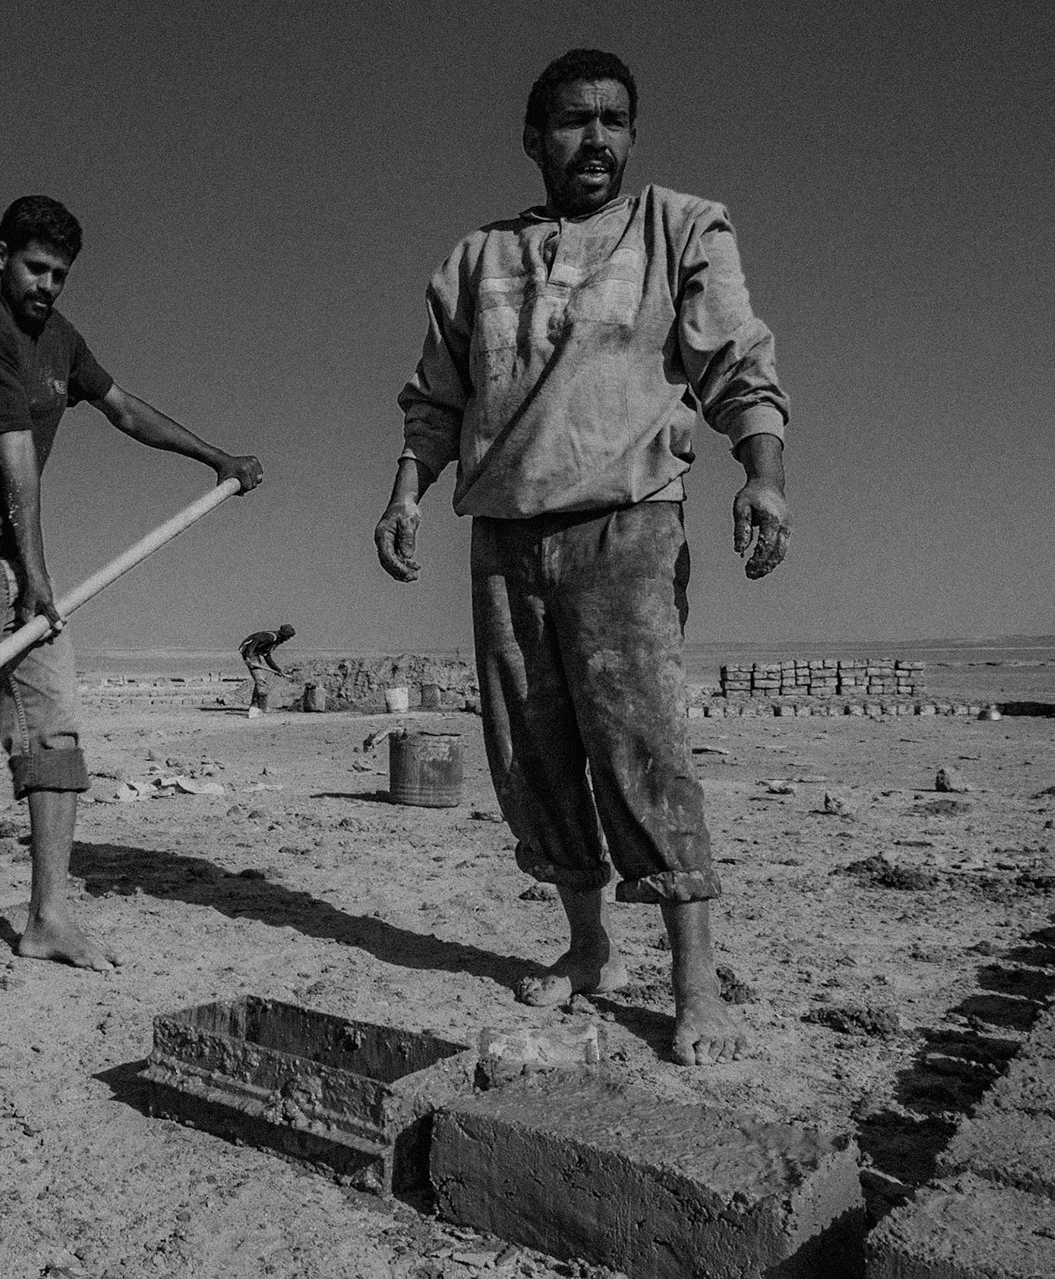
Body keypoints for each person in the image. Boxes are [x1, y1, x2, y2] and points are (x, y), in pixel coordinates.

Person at [374, 50, 792, 1065]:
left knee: (642, 745)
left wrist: (763, 474)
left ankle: (694, 983)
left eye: (614, 121)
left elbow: (735, 358)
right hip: (506, 534)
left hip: (627, 520)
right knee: (533, 752)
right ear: (534, 138)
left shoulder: (680, 226)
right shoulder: (478, 260)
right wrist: (403, 492)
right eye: (572, 121)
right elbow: (437, 396)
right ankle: (587, 944)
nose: (595, 140)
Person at [0, 195, 262, 970]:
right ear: (0, 255)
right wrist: (41, 579)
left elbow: (124, 409)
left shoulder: (61, 340)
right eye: (36, 268)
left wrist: (216, 458)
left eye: (61, 275)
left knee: (54, 733)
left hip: (15, 572)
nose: (47, 285)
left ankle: (46, 918)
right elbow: (16, 456)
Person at [238, 623, 296, 712]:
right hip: (249, 653)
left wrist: (277, 670)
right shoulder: (272, 637)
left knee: (261, 680)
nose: (287, 639)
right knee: (261, 680)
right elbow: (256, 639)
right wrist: (248, 656)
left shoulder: (275, 642)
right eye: (287, 637)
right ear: (283, 634)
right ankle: (262, 707)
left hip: (254, 654)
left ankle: (254, 705)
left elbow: (267, 657)